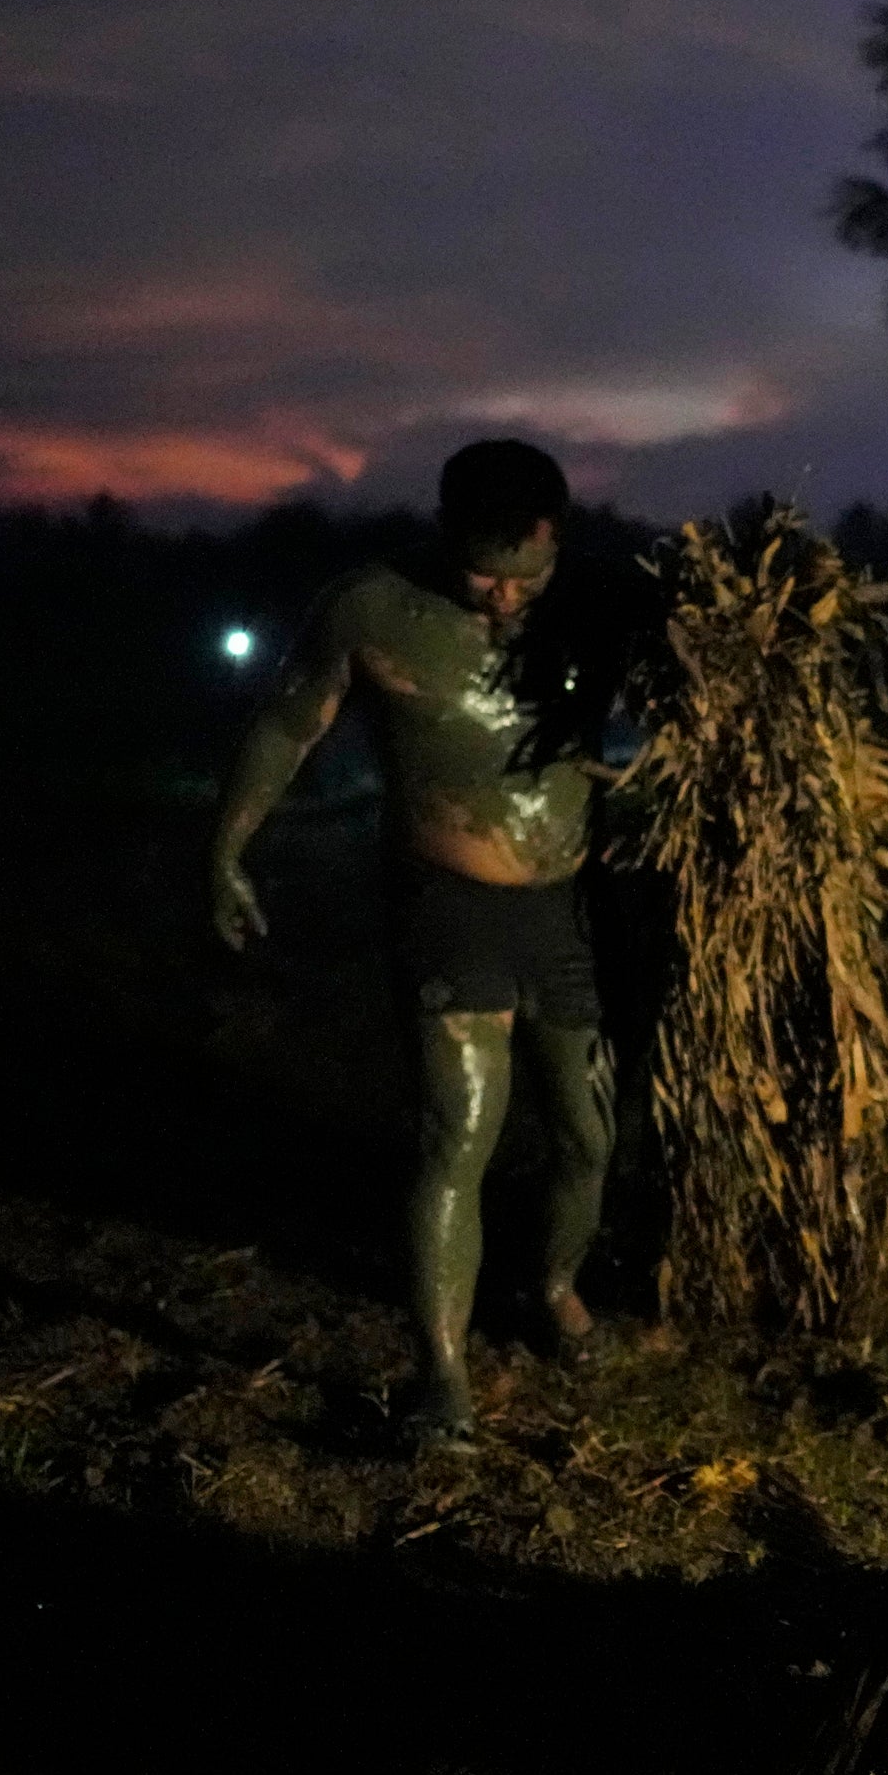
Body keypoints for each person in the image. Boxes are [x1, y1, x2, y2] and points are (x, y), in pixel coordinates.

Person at [208, 438, 618, 1443]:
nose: (505, 601)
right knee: (458, 1136)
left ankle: (555, 1288)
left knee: (587, 1136)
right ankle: (441, 1378)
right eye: (485, 576)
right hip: (449, 904)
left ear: (555, 538)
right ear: (446, 535)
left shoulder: (594, 603)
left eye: (528, 575)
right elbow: (286, 725)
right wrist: (226, 849)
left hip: (564, 909)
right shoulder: (370, 608)